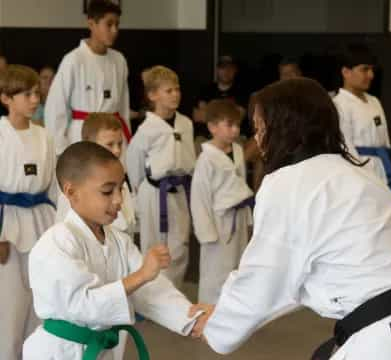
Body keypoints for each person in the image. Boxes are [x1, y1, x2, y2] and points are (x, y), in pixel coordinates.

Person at [190, 78, 391, 360]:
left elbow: (264, 275)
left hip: (387, 341)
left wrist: (217, 327)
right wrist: (224, 311)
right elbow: (303, 277)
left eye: (262, 129)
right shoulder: (360, 175)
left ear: (286, 130)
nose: (258, 140)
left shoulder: (287, 184)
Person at [23, 142, 204, 360]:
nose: (119, 200)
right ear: (71, 192)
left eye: (121, 188)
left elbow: (150, 290)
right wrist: (141, 275)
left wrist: (191, 319)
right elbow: (84, 305)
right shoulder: (56, 243)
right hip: (58, 353)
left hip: (101, 350)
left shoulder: (118, 240)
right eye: (107, 191)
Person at [0, 65, 57, 360]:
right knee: (9, 305)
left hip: (40, 220)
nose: (35, 99)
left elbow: (53, 188)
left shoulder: (44, 135)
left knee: (40, 301)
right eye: (27, 94)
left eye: (37, 93)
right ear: (6, 98)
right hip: (7, 224)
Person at [127, 65, 195, 289]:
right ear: (153, 95)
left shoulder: (185, 123)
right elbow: (134, 161)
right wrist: (140, 189)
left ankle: (174, 291)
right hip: (154, 191)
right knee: (154, 243)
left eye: (177, 89)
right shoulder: (147, 128)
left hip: (180, 189)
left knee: (180, 243)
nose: (175, 94)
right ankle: (151, 294)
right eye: (168, 90)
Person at [44, 0, 131, 157]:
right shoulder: (73, 59)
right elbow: (55, 108)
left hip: (113, 136)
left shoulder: (119, 60)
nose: (114, 30)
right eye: (109, 24)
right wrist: (61, 149)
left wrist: (125, 142)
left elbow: (123, 107)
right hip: (82, 134)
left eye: (117, 25)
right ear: (91, 24)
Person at [191, 99, 253, 304]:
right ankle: (209, 309)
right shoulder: (205, 159)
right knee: (216, 269)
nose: (235, 130)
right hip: (218, 222)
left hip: (239, 217)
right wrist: (205, 231)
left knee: (238, 265)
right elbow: (199, 198)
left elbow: (243, 184)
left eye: (237, 125)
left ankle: (232, 307)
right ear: (212, 127)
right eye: (229, 125)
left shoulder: (237, 150)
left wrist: (249, 220)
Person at [334, 43, 391, 195]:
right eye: (364, 69)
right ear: (346, 72)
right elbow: (345, 147)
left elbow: (385, 142)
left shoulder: (374, 101)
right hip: (359, 175)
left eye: (372, 70)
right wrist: (362, 176)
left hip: (382, 169)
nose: (371, 75)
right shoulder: (339, 104)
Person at [55, 112, 136, 236]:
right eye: (110, 144)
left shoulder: (121, 183)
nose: (117, 150)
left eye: (120, 144)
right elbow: (65, 232)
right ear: (89, 144)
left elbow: (129, 223)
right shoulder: (76, 187)